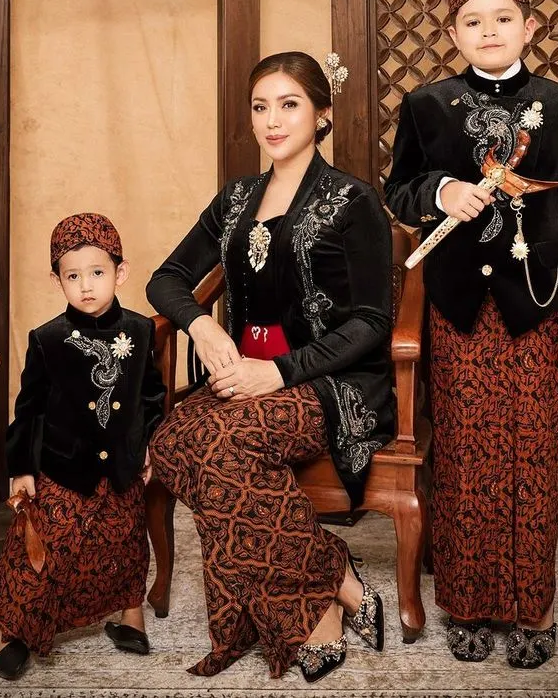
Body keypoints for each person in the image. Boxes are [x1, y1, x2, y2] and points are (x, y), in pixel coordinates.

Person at [384, 0, 558, 669]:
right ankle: (468, 603)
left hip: (540, 309)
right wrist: (440, 192)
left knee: (534, 456)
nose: (489, 30)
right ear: (454, 34)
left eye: (503, 18)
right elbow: (398, 191)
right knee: (464, 456)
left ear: (529, 27)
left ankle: (534, 607)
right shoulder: (426, 105)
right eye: (473, 21)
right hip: (459, 311)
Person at [147, 51, 394, 682]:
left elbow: (372, 320)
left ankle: (317, 618)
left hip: (329, 380)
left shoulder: (353, 200)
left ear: (322, 114)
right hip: (245, 373)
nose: (272, 121)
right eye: (261, 107)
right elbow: (166, 279)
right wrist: (202, 325)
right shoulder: (235, 199)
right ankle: (336, 573)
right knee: (172, 441)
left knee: (222, 446)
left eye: (289, 105)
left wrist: (280, 372)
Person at [0, 213, 166, 680]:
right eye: (73, 276)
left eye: (98, 272)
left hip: (123, 465)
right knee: (44, 546)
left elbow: (151, 395)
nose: (86, 286)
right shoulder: (47, 339)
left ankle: (130, 615)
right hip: (64, 467)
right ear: (57, 280)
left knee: (125, 544)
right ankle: (8, 627)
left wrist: (149, 444)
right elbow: (28, 409)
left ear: (121, 273)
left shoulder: (140, 330)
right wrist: (22, 468)